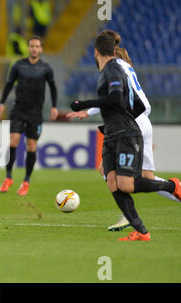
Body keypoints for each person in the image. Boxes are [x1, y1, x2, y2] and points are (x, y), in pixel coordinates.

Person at [69, 31, 181, 241]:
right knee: (146, 178)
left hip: (132, 122)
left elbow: (116, 98)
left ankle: (130, 215)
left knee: (109, 172)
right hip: (143, 120)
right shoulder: (125, 67)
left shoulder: (114, 68)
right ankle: (174, 191)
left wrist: (87, 110)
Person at [0, 36, 58, 196]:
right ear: (28, 48)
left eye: (37, 46)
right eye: (31, 46)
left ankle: (26, 181)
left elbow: (53, 88)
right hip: (18, 109)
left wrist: (54, 107)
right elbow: (9, 84)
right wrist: (2, 103)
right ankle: (8, 177)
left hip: (35, 113)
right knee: (14, 140)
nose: (34, 49)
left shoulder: (46, 68)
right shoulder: (18, 65)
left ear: (41, 49)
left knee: (31, 145)